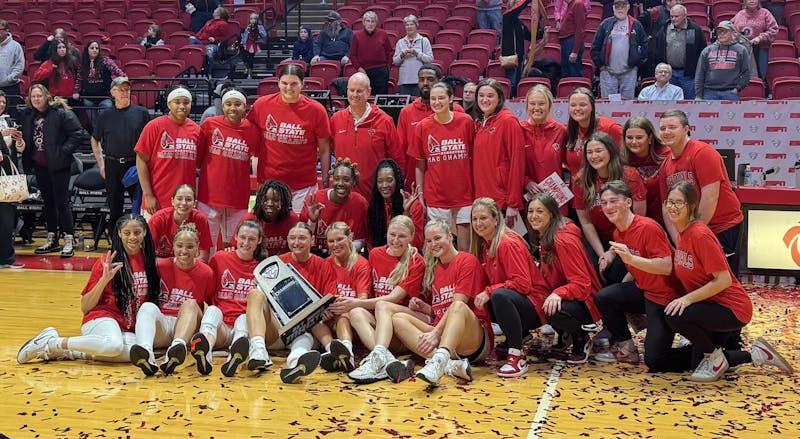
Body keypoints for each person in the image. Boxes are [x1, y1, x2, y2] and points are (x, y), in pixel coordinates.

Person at [663, 181, 793, 381]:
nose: (673, 207)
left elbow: (723, 280)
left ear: (692, 206)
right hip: (711, 306)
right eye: (670, 202)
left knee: (675, 315)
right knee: (689, 364)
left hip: (732, 309)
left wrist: (687, 299)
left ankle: (713, 357)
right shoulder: (682, 234)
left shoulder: (699, 234)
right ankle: (757, 354)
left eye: (679, 202)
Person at [17, 214, 161, 364]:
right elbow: (85, 307)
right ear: (119, 233)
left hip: (125, 326)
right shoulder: (107, 261)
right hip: (101, 318)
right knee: (114, 346)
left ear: (144, 232)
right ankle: (55, 343)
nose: (132, 237)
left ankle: (69, 351)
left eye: (137, 232)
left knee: (142, 353)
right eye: (127, 233)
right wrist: (104, 280)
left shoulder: (149, 261)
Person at [593, 180, 690, 370]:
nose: (608, 207)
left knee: (655, 361)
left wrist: (630, 259)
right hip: (645, 291)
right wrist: (623, 293)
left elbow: (665, 267)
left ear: (628, 202)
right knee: (605, 297)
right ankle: (626, 347)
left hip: (666, 298)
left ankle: (708, 355)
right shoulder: (618, 231)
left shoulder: (648, 227)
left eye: (614, 201)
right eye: (604, 203)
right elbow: (635, 265)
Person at [389, 220, 492, 385]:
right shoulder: (434, 267)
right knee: (397, 318)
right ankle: (449, 365)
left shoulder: (467, 261)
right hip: (446, 336)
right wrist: (427, 309)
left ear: (450, 236)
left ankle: (438, 361)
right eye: (429, 241)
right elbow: (442, 310)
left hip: (472, 340)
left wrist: (435, 334)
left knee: (458, 306)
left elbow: (457, 306)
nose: (433, 244)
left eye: (437, 238)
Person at [230, 222, 335, 383]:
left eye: (302, 238)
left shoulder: (324, 264)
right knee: (255, 294)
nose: (296, 242)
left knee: (307, 332)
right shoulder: (275, 263)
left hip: (307, 328)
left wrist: (326, 311)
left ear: (312, 240)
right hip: (277, 329)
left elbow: (329, 299)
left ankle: (299, 362)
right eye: (292, 238)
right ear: (287, 240)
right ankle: (258, 350)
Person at [342, 215, 427, 383]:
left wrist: (355, 301)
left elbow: (394, 298)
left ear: (411, 237)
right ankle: (385, 360)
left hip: (405, 320)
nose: (395, 240)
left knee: (381, 304)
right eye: (392, 234)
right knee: (356, 313)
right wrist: (353, 305)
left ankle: (380, 357)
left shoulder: (416, 260)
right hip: (384, 324)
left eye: (402, 236)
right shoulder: (375, 254)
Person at [657, 109, 743, 275]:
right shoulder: (665, 166)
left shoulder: (702, 152)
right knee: (699, 279)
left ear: (686, 129)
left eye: (672, 127)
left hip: (721, 227)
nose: (666, 132)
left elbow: (710, 198)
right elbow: (666, 207)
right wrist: (679, 239)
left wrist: (694, 235)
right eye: (662, 128)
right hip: (692, 232)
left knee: (723, 281)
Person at [470, 198, 548, 377]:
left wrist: (489, 291)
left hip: (536, 304)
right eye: (475, 219)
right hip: (522, 301)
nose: (478, 223)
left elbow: (522, 283)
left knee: (498, 296)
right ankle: (519, 335)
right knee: (485, 294)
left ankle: (517, 356)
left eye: (483, 218)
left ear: (496, 219)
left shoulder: (507, 243)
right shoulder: (487, 244)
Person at [526, 193, 602, 364]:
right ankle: (565, 334)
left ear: (551, 214)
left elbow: (582, 284)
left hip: (586, 302)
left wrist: (558, 293)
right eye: (530, 211)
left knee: (551, 308)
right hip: (571, 296)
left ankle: (581, 339)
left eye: (540, 211)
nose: (533, 216)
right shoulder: (546, 235)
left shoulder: (562, 240)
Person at [129, 226, 214, 376]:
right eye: (179, 246)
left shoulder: (206, 273)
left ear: (197, 248)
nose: (184, 251)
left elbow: (213, 307)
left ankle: (176, 349)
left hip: (188, 326)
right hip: (163, 325)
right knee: (147, 306)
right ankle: (146, 353)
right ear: (173, 246)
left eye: (190, 247)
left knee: (190, 304)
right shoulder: (159, 267)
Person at [247, 64, 331, 214]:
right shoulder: (261, 105)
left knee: (300, 232)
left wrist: (325, 182)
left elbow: (324, 149)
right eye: (284, 83)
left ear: (302, 84)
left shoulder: (316, 110)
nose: (289, 88)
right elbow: (252, 141)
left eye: (294, 84)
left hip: (303, 185)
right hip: (269, 183)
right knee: (270, 232)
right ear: (278, 83)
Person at [189, 220, 265, 376]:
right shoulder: (219, 258)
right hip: (221, 327)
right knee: (213, 311)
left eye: (251, 239)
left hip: (244, 326)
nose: (245, 243)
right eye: (242, 237)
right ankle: (205, 354)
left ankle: (235, 356)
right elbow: (208, 287)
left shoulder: (261, 267)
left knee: (244, 318)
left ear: (259, 240)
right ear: (235, 237)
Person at [19, 84, 85, 257]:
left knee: (62, 203)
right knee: (47, 203)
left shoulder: (60, 112)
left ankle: (69, 238)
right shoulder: (28, 115)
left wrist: (63, 152)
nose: (36, 99)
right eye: (33, 97)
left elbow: (78, 133)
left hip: (59, 165)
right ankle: (52, 238)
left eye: (39, 96)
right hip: (39, 165)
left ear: (46, 96)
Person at [573, 132, 646, 284]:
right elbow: (586, 222)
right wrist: (602, 254)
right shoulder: (581, 179)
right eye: (590, 152)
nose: (594, 156)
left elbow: (639, 220)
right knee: (590, 274)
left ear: (611, 151)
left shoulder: (629, 175)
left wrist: (613, 251)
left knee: (613, 275)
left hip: (628, 240)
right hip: (598, 241)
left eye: (599, 151)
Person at [410, 82, 474, 251]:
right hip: (436, 195)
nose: (437, 102)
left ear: (451, 98)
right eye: (433, 99)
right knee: (438, 247)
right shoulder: (423, 127)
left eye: (441, 98)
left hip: (464, 194)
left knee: (465, 250)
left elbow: (475, 157)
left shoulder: (466, 122)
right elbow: (419, 165)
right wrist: (421, 194)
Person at [197, 89, 260, 250]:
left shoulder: (253, 130)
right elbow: (198, 159)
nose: (233, 108)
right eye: (228, 104)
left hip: (237, 196)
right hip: (209, 195)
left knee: (236, 245)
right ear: (222, 106)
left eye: (237, 104)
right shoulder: (209, 125)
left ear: (245, 107)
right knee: (205, 245)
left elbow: (257, 157)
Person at [329, 73, 405, 199]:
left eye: (359, 91)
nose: (354, 95)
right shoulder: (336, 119)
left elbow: (397, 160)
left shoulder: (384, 121)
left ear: (368, 92)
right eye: (351, 90)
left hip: (376, 196)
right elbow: (327, 150)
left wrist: (397, 190)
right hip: (345, 195)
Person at [91, 77, 151, 235]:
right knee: (114, 209)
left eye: (127, 89)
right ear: (113, 92)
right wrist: (101, 164)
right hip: (112, 165)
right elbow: (95, 139)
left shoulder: (142, 113)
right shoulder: (105, 115)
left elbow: (150, 141)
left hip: (135, 165)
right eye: (121, 89)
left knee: (139, 208)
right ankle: (115, 244)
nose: (125, 92)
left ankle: (142, 241)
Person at [135, 86, 201, 216]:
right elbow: (141, 160)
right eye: (177, 102)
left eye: (186, 102)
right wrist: (148, 195)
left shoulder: (197, 131)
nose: (182, 106)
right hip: (157, 201)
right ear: (169, 104)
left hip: (184, 204)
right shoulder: (154, 126)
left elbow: (198, 167)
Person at [396, 64, 465, 188]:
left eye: (430, 79)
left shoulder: (457, 111)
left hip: (449, 180)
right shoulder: (407, 112)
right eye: (421, 80)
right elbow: (401, 149)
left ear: (440, 81)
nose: (425, 83)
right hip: (415, 181)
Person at [315, 222, 371, 372]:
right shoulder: (326, 264)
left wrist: (345, 305)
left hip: (354, 320)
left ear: (350, 238)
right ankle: (332, 350)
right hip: (332, 321)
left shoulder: (361, 264)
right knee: (313, 321)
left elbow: (363, 299)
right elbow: (326, 298)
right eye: (331, 241)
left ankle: (347, 352)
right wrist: (323, 313)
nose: (335, 245)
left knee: (344, 310)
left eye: (339, 239)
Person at [472, 79, 526, 230]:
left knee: (510, 246)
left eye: (490, 96)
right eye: (481, 95)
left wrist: (513, 204)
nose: (485, 100)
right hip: (483, 199)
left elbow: (517, 162)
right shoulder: (479, 123)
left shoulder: (508, 121)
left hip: (502, 201)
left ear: (499, 98)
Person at [300, 158, 368, 254]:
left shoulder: (360, 203)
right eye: (337, 179)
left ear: (354, 182)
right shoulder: (315, 200)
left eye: (346, 180)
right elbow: (301, 241)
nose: (340, 183)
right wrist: (312, 221)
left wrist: (339, 250)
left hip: (346, 256)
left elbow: (360, 240)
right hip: (315, 255)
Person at [590, 0, 649, 99]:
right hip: (608, 72)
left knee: (627, 106)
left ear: (628, 7)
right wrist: (600, 65)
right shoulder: (605, 24)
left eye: (623, 6)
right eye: (617, 6)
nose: (620, 9)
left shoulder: (636, 24)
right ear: (613, 8)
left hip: (629, 73)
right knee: (608, 105)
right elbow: (595, 47)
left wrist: (636, 65)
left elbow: (645, 46)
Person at [564, 88, 623, 184]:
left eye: (582, 105)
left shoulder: (611, 128)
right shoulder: (569, 131)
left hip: (605, 192)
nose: (577, 108)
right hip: (577, 192)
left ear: (592, 107)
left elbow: (625, 160)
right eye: (573, 105)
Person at [520, 85, 567, 203]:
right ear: (527, 106)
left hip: (556, 199)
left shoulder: (561, 131)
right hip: (528, 197)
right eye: (532, 104)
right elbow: (510, 165)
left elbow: (571, 162)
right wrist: (526, 182)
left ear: (549, 105)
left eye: (541, 104)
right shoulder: (518, 130)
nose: (536, 108)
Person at [649, 4, 706, 99]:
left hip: (688, 75)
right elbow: (656, 49)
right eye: (672, 16)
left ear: (685, 16)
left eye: (676, 16)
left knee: (689, 104)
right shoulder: (664, 28)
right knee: (668, 104)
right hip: (668, 74)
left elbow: (702, 51)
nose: (673, 19)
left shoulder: (695, 30)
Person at [366, 159, 425, 250]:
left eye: (389, 180)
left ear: (397, 181)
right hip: (381, 256)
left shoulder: (414, 205)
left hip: (407, 257)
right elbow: (370, 243)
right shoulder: (374, 205)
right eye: (380, 181)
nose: (384, 185)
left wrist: (406, 214)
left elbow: (417, 244)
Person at [230, 180, 300, 256]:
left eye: (276, 200)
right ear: (260, 200)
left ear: (283, 202)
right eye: (266, 199)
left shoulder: (292, 220)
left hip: (285, 263)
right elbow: (235, 248)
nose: (270, 204)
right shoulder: (250, 219)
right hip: (255, 263)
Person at [622, 116, 669, 224]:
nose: (633, 142)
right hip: (637, 220)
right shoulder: (621, 161)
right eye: (629, 137)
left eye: (639, 137)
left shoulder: (666, 155)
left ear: (650, 138)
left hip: (668, 218)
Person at [149, 184, 213, 262]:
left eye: (188, 199)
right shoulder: (158, 219)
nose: (184, 203)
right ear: (172, 201)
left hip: (189, 265)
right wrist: (174, 264)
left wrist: (184, 267)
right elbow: (148, 256)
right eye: (179, 199)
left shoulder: (201, 219)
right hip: (162, 264)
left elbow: (203, 257)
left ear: (195, 203)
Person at [695, 21, 751, 101]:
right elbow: (700, 74)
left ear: (733, 33)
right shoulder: (707, 50)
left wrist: (737, 89)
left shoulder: (741, 50)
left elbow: (746, 72)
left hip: (730, 93)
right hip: (709, 92)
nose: (721, 34)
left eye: (725, 31)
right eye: (719, 31)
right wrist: (698, 96)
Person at [75, 40, 126, 129]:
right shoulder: (82, 64)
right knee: (94, 123)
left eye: (97, 48)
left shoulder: (106, 61)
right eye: (92, 48)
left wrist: (124, 79)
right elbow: (79, 79)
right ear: (87, 50)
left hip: (104, 97)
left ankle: (106, 140)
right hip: (89, 98)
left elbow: (118, 72)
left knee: (105, 121)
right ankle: (97, 141)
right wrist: (76, 91)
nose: (95, 50)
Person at [0, 90, 25, 268]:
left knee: (7, 218)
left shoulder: (8, 120)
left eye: (3, 102)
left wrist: (18, 140)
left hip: (7, 174)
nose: (1, 104)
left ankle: (7, 258)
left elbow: (18, 150)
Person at [731, 0, 778, 81]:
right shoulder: (740, 14)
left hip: (760, 49)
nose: (752, 1)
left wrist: (760, 38)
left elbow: (773, 29)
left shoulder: (765, 13)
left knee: (759, 75)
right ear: (745, 1)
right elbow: (730, 29)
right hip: (742, 50)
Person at [349, 11, 393, 95]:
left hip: (381, 71)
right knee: (365, 97)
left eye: (373, 21)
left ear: (376, 23)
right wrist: (359, 68)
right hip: (364, 72)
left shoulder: (383, 34)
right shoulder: (357, 36)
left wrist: (387, 68)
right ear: (363, 22)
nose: (370, 24)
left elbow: (390, 52)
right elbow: (352, 55)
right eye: (368, 21)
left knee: (381, 98)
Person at [393, 16, 433, 96]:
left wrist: (417, 54)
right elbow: (395, 62)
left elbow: (430, 59)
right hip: (404, 80)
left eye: (411, 24)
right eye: (407, 25)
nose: (409, 27)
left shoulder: (424, 40)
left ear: (416, 25)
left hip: (420, 79)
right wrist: (402, 55)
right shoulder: (400, 42)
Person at [502, 0, 533, 90]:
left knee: (518, 82)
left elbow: (529, 36)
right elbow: (517, 8)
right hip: (511, 57)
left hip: (520, 56)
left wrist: (543, 32)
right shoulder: (507, 17)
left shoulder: (519, 23)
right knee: (511, 83)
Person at [558, 0, 588, 78]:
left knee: (574, 74)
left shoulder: (578, 4)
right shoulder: (570, 5)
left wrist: (575, 51)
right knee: (566, 74)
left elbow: (580, 29)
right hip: (567, 42)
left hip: (571, 43)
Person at [0, 20, 25, 111]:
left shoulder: (15, 46)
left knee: (11, 114)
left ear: (7, 31)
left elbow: (19, 66)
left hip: (10, 88)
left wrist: (8, 79)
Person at [241, 13, 267, 77]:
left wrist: (258, 31)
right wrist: (242, 42)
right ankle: (246, 67)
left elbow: (264, 34)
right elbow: (245, 35)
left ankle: (250, 71)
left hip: (254, 44)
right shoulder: (248, 27)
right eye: (251, 19)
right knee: (244, 57)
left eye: (255, 19)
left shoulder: (259, 27)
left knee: (251, 57)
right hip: (246, 44)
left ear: (257, 20)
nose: (253, 20)